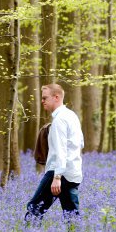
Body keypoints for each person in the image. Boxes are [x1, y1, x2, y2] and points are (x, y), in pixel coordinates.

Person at [25, 83, 84, 221]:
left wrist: (57, 177)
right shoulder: (72, 115)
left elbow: (60, 150)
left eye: (45, 98)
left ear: (56, 97)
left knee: (34, 209)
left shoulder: (59, 120)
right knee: (71, 215)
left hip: (58, 173)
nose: (42, 101)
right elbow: (80, 143)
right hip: (73, 173)